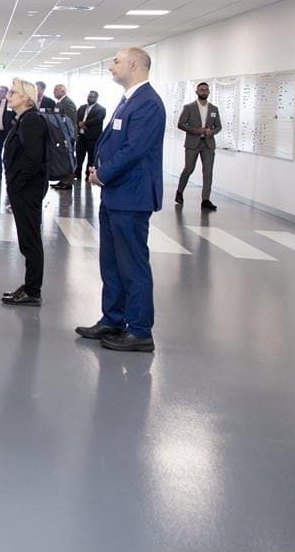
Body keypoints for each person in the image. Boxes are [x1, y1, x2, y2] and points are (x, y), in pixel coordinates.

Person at [80, 47, 166, 352]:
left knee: (133, 264)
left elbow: (134, 150)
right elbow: (114, 142)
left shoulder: (148, 104)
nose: (110, 66)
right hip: (116, 193)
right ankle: (113, 319)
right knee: (112, 262)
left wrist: (102, 174)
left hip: (131, 195)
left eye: (115, 61)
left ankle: (140, 330)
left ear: (133, 64)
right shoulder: (128, 100)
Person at [1, 78, 48, 307]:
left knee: (30, 240)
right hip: (23, 188)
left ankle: (32, 290)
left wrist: (17, 184)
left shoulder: (31, 121)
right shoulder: (24, 120)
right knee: (27, 239)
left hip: (27, 189)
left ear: (26, 98)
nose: (8, 95)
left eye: (13, 92)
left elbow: (33, 158)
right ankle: (30, 287)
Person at [175, 81, 222, 210]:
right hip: (192, 143)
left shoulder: (214, 109)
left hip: (208, 144)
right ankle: (179, 191)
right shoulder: (189, 107)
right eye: (201, 90)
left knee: (208, 172)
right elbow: (181, 124)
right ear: (196, 92)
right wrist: (196, 130)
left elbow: (219, 126)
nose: (204, 92)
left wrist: (211, 131)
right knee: (189, 169)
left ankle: (205, 200)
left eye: (206, 90)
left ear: (209, 92)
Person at [74, 90, 105, 182]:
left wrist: (85, 123)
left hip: (93, 138)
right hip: (81, 137)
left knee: (91, 158)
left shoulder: (101, 109)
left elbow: (98, 119)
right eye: (89, 96)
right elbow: (76, 116)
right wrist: (79, 123)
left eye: (92, 97)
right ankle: (77, 174)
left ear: (96, 98)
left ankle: (88, 175)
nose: (90, 98)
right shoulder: (82, 107)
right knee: (79, 157)